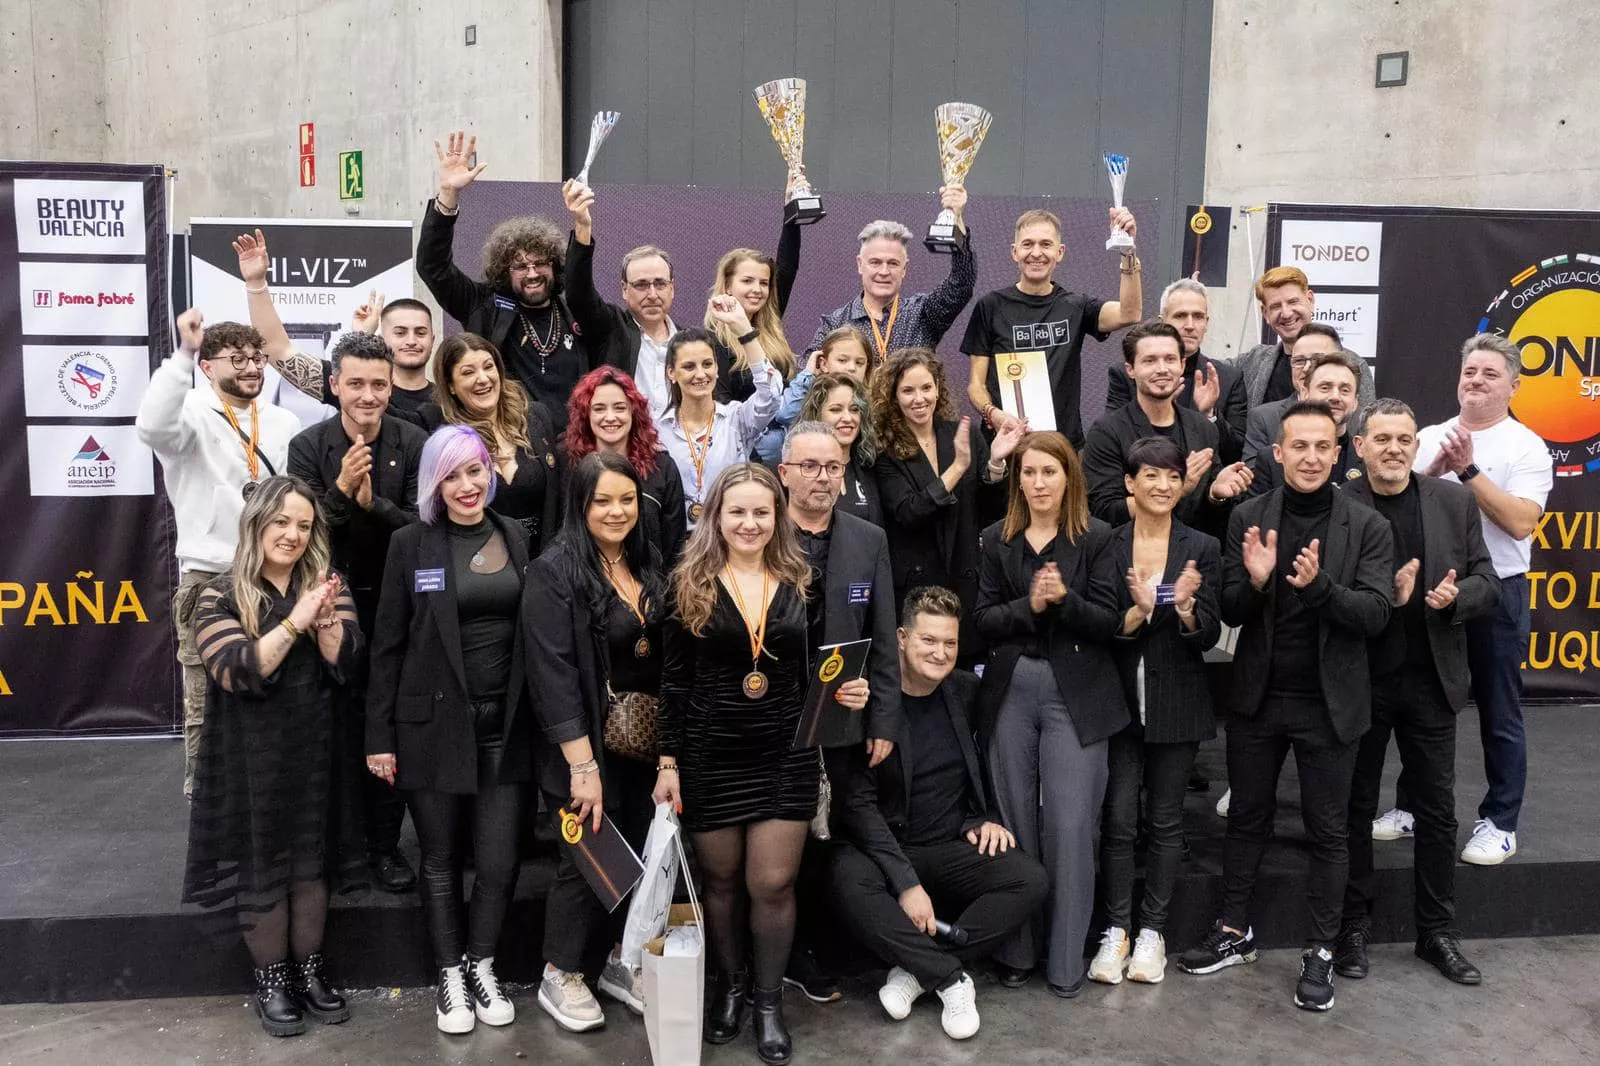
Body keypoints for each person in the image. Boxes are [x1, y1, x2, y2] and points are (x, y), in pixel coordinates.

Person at [1177, 401, 1392, 1013]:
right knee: (1246, 819)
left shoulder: (1368, 526)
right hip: (1258, 699)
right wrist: (1260, 580)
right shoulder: (1247, 515)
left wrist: (1319, 588)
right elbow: (1234, 613)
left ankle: (1321, 949)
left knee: (1329, 831)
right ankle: (1233, 930)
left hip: (1331, 707)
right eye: (1298, 446)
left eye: (1323, 446)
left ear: (1340, 451)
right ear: (1278, 452)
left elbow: (1376, 615)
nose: (1310, 457)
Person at [365, 425, 535, 1035]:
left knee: (497, 862)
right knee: (439, 859)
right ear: (434, 483)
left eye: (476, 470)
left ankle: (482, 964)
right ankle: (449, 976)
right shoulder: (411, 544)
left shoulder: (515, 535)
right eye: (453, 474)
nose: (467, 485)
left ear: (491, 472)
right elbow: (386, 647)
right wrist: (378, 737)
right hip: (432, 727)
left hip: (505, 729)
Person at [828, 586, 1049, 1041]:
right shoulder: (866, 700)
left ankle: (916, 971)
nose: (940, 652)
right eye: (929, 641)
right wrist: (907, 885)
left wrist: (984, 815)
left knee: (1030, 879)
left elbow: (988, 760)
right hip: (885, 849)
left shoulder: (966, 690)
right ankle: (949, 977)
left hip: (948, 843)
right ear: (902, 638)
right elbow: (856, 805)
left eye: (949, 643)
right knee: (842, 874)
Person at [181, 476, 359, 1038]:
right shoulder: (219, 593)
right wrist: (296, 621)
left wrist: (328, 623)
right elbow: (238, 669)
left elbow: (350, 662)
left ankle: (309, 976)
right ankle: (272, 984)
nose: (293, 534)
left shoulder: (325, 586)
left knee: (310, 864)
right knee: (263, 868)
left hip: (314, 749)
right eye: (281, 522)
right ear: (256, 523)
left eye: (304, 525)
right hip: (250, 757)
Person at [653, 463, 817, 1066]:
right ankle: (731, 987)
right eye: (737, 512)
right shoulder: (687, 585)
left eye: (761, 512)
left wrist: (844, 695)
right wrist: (668, 760)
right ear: (715, 517)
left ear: (777, 518)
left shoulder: (802, 579)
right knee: (719, 885)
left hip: (786, 753)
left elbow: (817, 669)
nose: (749, 523)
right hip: (709, 752)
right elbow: (672, 682)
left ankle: (770, 1003)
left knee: (771, 884)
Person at [1334, 399, 1500, 987]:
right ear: (1359, 447)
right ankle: (1351, 926)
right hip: (1360, 680)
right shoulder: (1339, 505)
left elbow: (1487, 580)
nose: (1394, 448)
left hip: (1432, 680)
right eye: (1381, 439)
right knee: (1354, 808)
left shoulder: (1454, 502)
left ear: (1416, 444)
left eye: (1404, 438)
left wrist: (1457, 599)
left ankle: (1437, 932)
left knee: (1436, 810)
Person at [972, 431, 1126, 997]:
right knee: (1012, 828)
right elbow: (982, 621)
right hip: (1011, 689)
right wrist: (1028, 607)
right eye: (1029, 473)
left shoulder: (1099, 538)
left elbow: (1111, 621)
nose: (1038, 483)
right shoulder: (995, 538)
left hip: (1077, 693)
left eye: (1048, 472)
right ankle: (1017, 953)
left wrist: (1064, 602)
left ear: (1069, 478)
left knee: (1070, 827)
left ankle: (1065, 963)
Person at [526, 451, 667, 1031]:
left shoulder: (648, 559)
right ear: (579, 504)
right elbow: (552, 675)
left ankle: (617, 961)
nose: (616, 511)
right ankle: (560, 974)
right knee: (584, 861)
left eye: (627, 499)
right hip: (584, 750)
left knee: (635, 853)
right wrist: (582, 767)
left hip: (641, 743)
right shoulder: (554, 571)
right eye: (602, 500)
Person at [136, 308, 302, 797]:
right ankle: (208, 807)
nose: (251, 367)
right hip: (211, 579)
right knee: (205, 705)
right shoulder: (188, 415)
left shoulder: (284, 420)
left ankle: (272, 803)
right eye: (237, 359)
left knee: (277, 695)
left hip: (274, 582)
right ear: (208, 367)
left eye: (257, 358)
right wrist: (181, 356)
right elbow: (151, 427)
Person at [286, 331, 428, 894]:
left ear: (391, 385)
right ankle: (338, 848)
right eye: (356, 384)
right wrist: (343, 491)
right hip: (330, 605)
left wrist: (374, 503)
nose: (368, 395)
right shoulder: (307, 444)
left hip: (400, 606)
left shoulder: (414, 440)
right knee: (335, 728)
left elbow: (425, 528)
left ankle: (385, 846)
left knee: (387, 726)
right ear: (334, 385)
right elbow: (301, 533)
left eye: (378, 384)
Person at [775, 421, 901, 1000]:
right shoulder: (761, 532)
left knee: (827, 840)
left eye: (832, 467)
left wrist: (882, 718)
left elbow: (880, 637)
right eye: (810, 467)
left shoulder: (868, 538)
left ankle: (812, 950)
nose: (823, 477)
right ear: (785, 473)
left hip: (842, 720)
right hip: (770, 720)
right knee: (782, 845)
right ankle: (779, 952)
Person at [1089, 437, 1221, 987]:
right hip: (1117, 705)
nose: (1163, 486)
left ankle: (1152, 934)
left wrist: (1186, 611)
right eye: (1151, 476)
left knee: (1166, 821)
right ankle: (1116, 930)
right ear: (1129, 483)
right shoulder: (1105, 543)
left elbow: (1210, 630)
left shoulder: (1203, 546)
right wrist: (1137, 614)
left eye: (1172, 476)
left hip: (1179, 701)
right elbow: (1099, 624)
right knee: (1119, 821)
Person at [1414, 334, 1552, 865]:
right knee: (1421, 708)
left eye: (1490, 374)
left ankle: (1500, 822)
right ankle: (1411, 806)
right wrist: (1436, 470)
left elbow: (1521, 523)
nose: (1475, 381)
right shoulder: (1428, 436)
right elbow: (1403, 504)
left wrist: (1468, 471)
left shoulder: (1526, 446)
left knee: (1499, 711)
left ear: (1513, 387)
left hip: (1498, 594)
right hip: (1433, 593)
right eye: (1470, 371)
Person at [419, 131, 587, 427]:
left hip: (574, 449)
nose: (532, 273)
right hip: (509, 443)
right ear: (502, 270)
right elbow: (433, 267)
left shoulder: (575, 311)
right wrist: (447, 195)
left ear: (555, 264)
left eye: (540, 263)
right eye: (520, 266)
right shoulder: (484, 306)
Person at [872, 348, 1022, 662]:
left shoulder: (961, 435)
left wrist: (995, 463)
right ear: (893, 396)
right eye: (908, 391)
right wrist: (957, 469)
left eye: (926, 388)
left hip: (965, 580)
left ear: (938, 388)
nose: (919, 398)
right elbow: (909, 512)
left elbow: (991, 510)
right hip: (916, 588)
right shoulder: (884, 449)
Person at [963, 207, 1141, 448]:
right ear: (1014, 253)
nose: (1036, 253)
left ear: (1060, 252)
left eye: (1046, 244)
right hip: (1006, 444)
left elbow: (1129, 313)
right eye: (1028, 244)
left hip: (1062, 448)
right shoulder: (991, 306)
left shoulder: (1076, 306)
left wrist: (1127, 251)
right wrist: (993, 413)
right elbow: (976, 385)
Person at [1082, 321, 1252, 531]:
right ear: (1130, 370)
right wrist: (1176, 487)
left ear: (1181, 365)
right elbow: (1104, 510)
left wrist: (1215, 494)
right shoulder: (1107, 431)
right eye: (1150, 361)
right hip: (1129, 554)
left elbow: (1207, 514)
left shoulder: (1203, 427)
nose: (1161, 369)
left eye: (1170, 359)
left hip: (1191, 553)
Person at [422, 334, 561, 555]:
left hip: (543, 560)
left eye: (489, 367)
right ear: (451, 387)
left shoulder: (536, 417)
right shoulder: (445, 437)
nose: (483, 378)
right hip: (480, 565)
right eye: (468, 372)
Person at [562, 180, 681, 415]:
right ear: (625, 290)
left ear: (672, 288)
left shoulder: (689, 342)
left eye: (660, 283)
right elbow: (577, 294)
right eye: (641, 285)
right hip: (625, 446)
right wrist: (583, 225)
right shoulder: (611, 328)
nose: (652, 294)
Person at [810, 201, 976, 364]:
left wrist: (957, 219)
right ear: (860, 265)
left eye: (893, 263)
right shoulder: (835, 324)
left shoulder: (923, 314)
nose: (884, 272)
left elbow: (961, 284)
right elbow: (808, 373)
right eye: (875, 262)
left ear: (904, 268)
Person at [656, 316, 781, 530]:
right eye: (689, 366)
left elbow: (770, 395)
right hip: (677, 547)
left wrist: (745, 332)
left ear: (716, 368)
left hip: (729, 540)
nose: (700, 374)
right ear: (671, 373)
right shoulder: (657, 429)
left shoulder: (737, 419)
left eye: (707, 364)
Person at [1106, 279, 1248, 460]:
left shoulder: (1229, 378)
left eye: (1198, 317)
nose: (1190, 325)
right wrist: (1157, 410)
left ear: (1206, 323)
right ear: (1162, 320)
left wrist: (1210, 415)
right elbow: (1113, 440)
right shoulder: (1127, 374)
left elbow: (1236, 454)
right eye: (1180, 316)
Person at [563, 365, 688, 566]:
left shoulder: (661, 467)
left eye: (620, 408)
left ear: (634, 413)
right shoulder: (569, 464)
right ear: (586, 414)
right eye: (599, 408)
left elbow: (674, 546)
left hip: (648, 584)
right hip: (581, 582)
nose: (610, 417)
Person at [705, 244, 802, 463]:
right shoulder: (713, 340)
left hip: (790, 448)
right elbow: (721, 405)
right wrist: (754, 459)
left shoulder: (771, 329)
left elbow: (787, 268)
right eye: (747, 281)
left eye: (764, 283)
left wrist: (792, 218)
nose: (757, 289)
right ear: (728, 285)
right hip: (749, 451)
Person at [1234, 267, 1374, 408]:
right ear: (1265, 314)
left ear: (1310, 300)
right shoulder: (1251, 362)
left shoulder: (1353, 364)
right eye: (1276, 306)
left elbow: (1363, 425)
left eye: (1293, 302)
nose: (1286, 313)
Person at [1246, 346, 1368, 498]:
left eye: (1345, 390)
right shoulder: (1270, 460)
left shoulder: (1368, 460)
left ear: (1355, 402)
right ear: (1304, 393)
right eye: (1325, 387)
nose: (1335, 396)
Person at [796, 373, 881, 526]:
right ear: (816, 415)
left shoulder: (873, 467)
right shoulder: (795, 469)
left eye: (854, 409)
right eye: (836, 410)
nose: (848, 418)